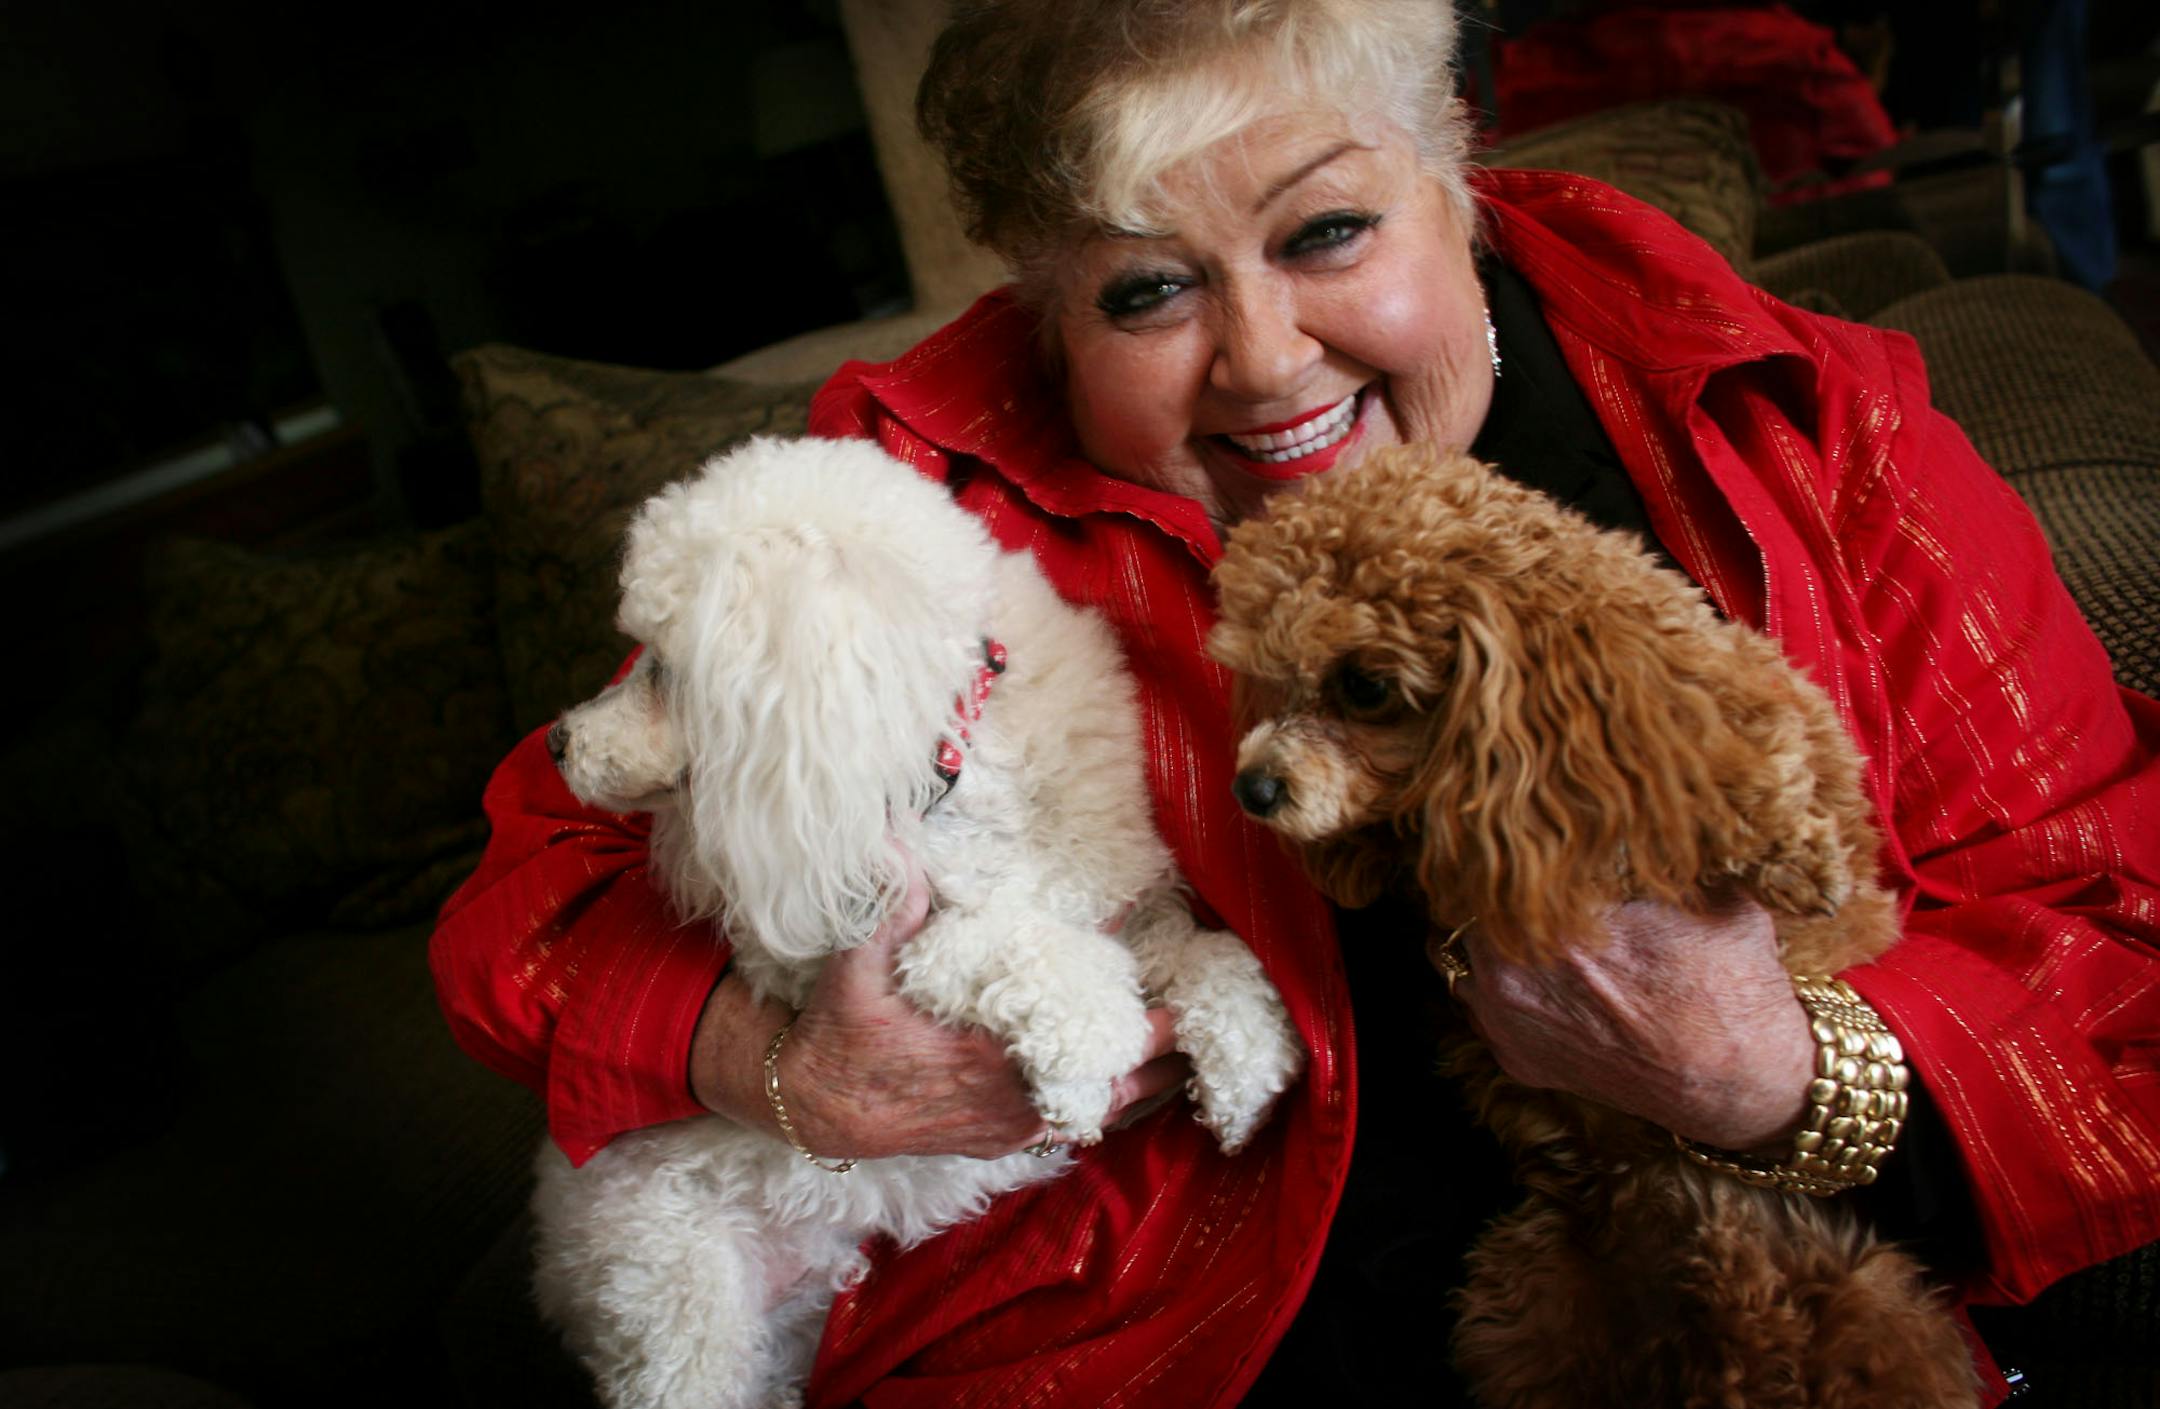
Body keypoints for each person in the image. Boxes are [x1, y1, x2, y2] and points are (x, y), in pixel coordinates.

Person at [430, 2, 2160, 1404]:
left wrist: (1777, 1071)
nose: (1264, 360)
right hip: (1158, 1337)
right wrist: (787, 1067)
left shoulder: (1792, 419)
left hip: (1734, 1300)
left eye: (1328, 230)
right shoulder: (907, 493)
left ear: (1456, 171)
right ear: (1044, 304)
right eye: (1147, 288)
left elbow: (2115, 932)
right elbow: (530, 904)